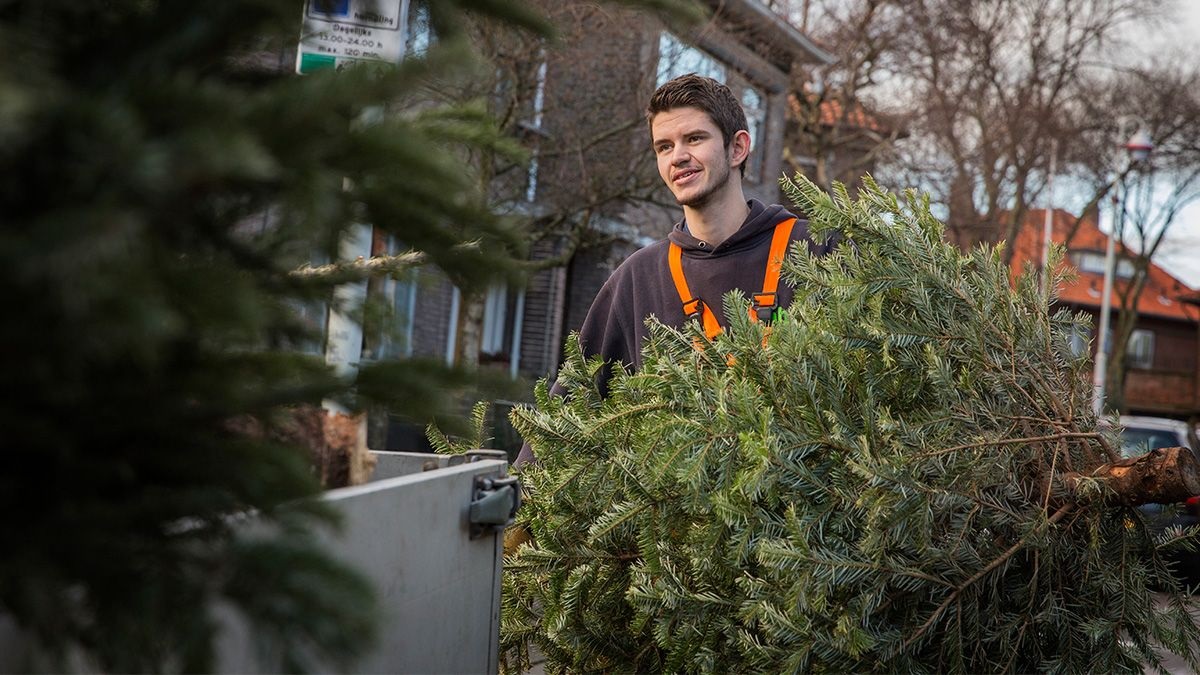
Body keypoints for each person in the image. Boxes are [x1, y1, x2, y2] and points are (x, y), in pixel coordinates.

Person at [514, 73, 830, 466]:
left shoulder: (819, 249)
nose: (677, 156)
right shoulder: (638, 278)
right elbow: (567, 411)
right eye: (664, 146)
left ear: (738, 148)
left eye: (694, 139)